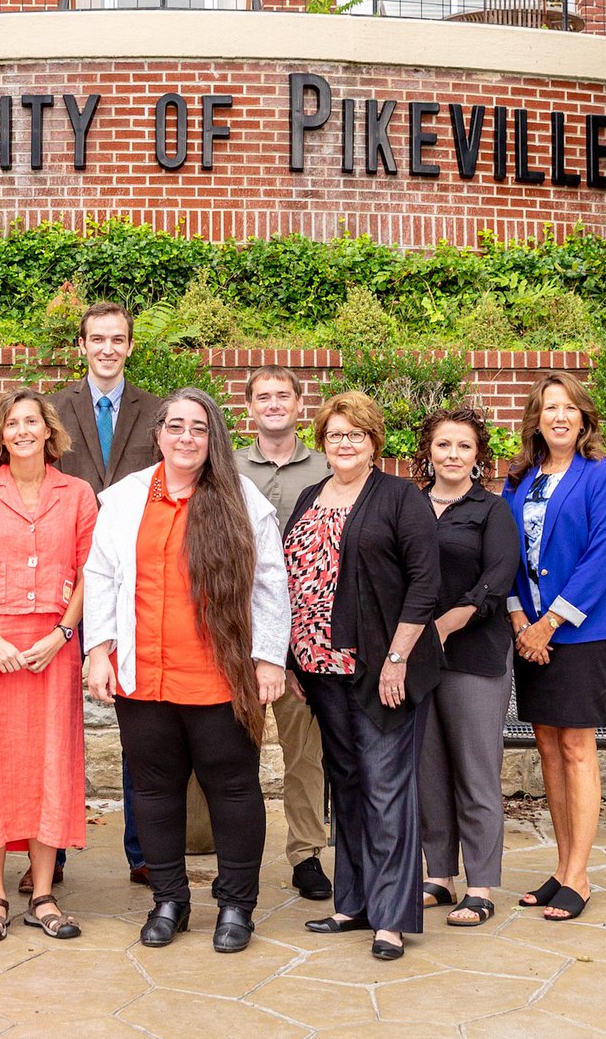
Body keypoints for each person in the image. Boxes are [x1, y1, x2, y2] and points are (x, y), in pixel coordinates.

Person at [85, 388, 291, 954]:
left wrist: (269, 658)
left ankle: (235, 905)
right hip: (144, 676)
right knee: (153, 791)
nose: (186, 438)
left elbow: (272, 581)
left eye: (198, 428)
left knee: (233, 790)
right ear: (158, 434)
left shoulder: (240, 497)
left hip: (218, 675)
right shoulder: (125, 498)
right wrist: (98, 649)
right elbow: (101, 576)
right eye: (175, 426)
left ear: (213, 437)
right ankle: (169, 899)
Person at [282, 390, 441, 961]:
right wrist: (292, 658)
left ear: (375, 442)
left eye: (356, 434)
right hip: (319, 668)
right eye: (334, 434)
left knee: (385, 787)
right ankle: (353, 904)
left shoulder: (399, 498)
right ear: (321, 442)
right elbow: (292, 582)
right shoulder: (308, 495)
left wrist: (398, 658)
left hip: (381, 668)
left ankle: (392, 919)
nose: (344, 443)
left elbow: (425, 583)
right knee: (345, 785)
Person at [0, 388, 97, 942]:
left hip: (52, 647)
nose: (23, 431)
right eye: (12, 424)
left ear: (48, 431)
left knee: (49, 761)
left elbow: (89, 573)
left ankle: (44, 892)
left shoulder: (77, 493)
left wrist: (62, 634)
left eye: (32, 421)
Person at [502, 373, 606, 923]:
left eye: (568, 408)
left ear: (583, 419)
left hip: (577, 633)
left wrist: (547, 624)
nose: (558, 416)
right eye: (549, 407)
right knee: (547, 748)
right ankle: (560, 867)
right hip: (527, 633)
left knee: (577, 748)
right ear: (536, 418)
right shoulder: (520, 480)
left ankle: (579, 875)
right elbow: (502, 551)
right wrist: (517, 621)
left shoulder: (601, 475)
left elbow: (601, 557)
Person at [51, 301, 161, 887]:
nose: (108, 349)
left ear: (130, 346)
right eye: (98, 339)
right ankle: (53, 853)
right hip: (63, 581)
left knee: (139, 725)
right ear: (82, 345)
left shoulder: (157, 413)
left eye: (118, 339)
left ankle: (144, 852)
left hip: (132, 583)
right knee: (56, 722)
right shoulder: (54, 410)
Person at [410, 407, 520, 927]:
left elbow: (497, 581)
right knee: (428, 771)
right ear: (427, 451)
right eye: (443, 445)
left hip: (473, 658)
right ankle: (440, 876)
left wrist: (443, 627)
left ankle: (479, 885)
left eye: (464, 447)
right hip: (414, 661)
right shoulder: (407, 504)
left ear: (478, 457)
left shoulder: (492, 510)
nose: (452, 455)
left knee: (476, 773)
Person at [234, 365, 333, 901]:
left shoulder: (325, 468)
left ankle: (306, 854)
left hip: (305, 639)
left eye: (283, 396)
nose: (273, 404)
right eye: (262, 397)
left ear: (300, 404)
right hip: (237, 637)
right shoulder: (225, 468)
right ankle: (239, 854)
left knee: (303, 752)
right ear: (248, 408)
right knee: (234, 754)